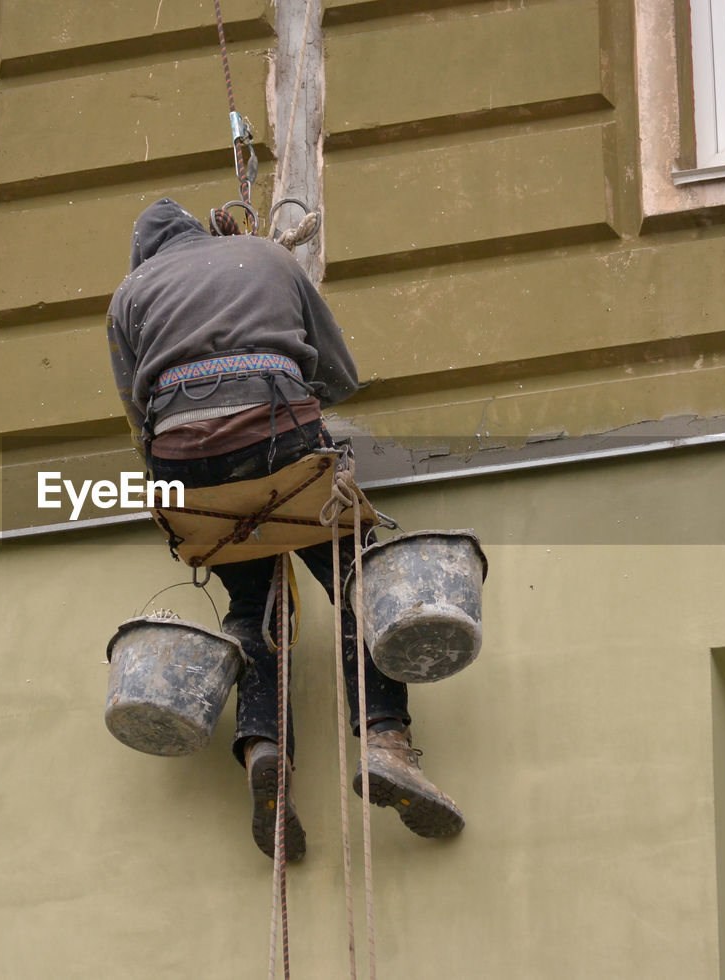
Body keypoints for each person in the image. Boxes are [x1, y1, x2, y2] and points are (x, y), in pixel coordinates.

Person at [106, 198, 463, 859]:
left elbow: (137, 413)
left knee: (252, 603)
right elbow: (340, 376)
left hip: (187, 469)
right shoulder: (266, 255)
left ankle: (264, 750)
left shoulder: (129, 294)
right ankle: (385, 744)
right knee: (359, 579)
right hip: (277, 436)